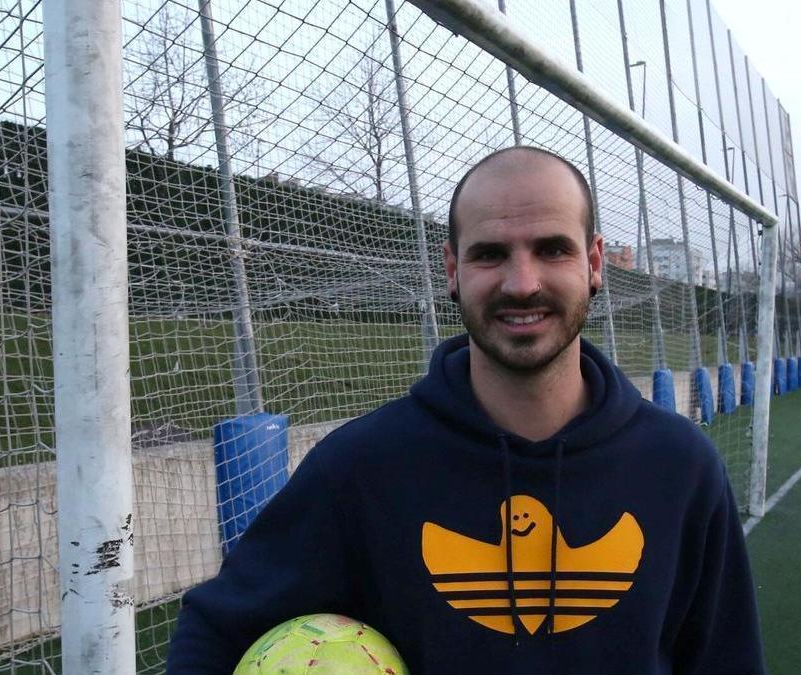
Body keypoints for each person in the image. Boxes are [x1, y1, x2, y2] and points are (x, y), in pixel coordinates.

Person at [168, 146, 764, 674]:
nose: (522, 282)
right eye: (490, 254)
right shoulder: (362, 466)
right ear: (453, 271)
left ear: (594, 263)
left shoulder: (680, 466)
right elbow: (216, 631)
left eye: (552, 248)